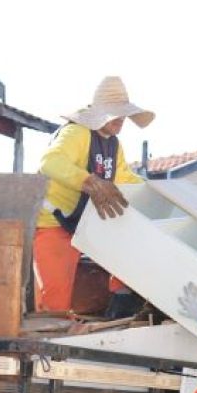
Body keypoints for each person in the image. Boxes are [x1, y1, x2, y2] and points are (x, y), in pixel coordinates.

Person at [34, 76, 154, 316]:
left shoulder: (113, 144)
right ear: (99, 114)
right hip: (54, 223)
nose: (121, 120)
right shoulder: (76, 133)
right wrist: (89, 181)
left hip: (86, 222)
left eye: (123, 115)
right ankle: (48, 343)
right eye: (115, 114)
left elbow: (124, 178)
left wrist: (155, 191)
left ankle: (122, 303)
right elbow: (49, 162)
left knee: (129, 238)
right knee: (54, 303)